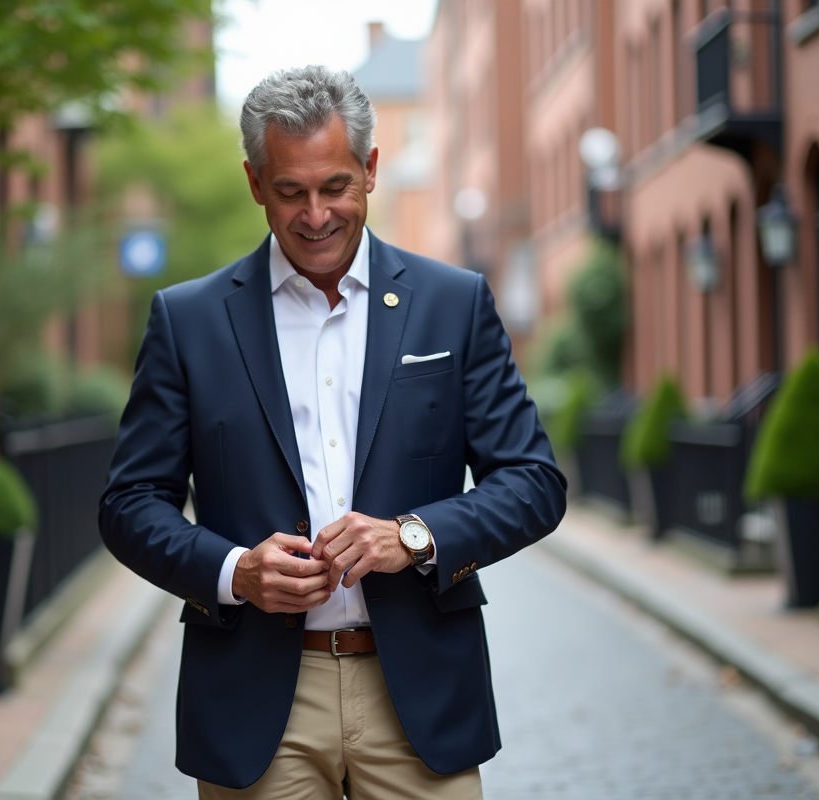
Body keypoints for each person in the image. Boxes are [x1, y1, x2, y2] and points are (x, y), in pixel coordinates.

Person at [99, 65, 566, 799]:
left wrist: (413, 535)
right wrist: (234, 573)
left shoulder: (453, 304)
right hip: (257, 703)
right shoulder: (188, 322)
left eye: (335, 187)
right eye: (290, 192)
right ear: (256, 182)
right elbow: (129, 504)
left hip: (418, 695)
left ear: (372, 171)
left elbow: (535, 484)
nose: (315, 215)